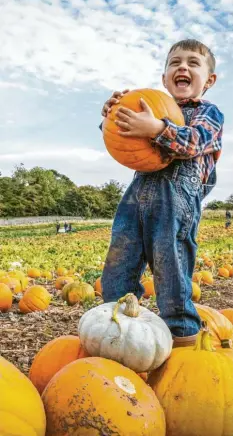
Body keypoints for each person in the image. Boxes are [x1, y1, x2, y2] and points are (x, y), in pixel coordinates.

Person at [100, 39, 224, 347]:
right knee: (120, 257)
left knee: (171, 263)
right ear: (165, 78)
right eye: (175, 63)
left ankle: (182, 337)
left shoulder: (208, 112)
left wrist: (156, 129)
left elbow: (194, 142)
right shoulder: (148, 105)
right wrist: (113, 116)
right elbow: (121, 140)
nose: (183, 67)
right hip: (138, 192)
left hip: (177, 196)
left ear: (208, 80)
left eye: (193, 63)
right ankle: (116, 327)